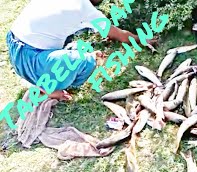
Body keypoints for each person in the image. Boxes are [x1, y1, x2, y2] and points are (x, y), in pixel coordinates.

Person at [6, 0, 156, 101]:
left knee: (76, 45)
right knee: (85, 61)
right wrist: (141, 39)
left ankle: (37, 76)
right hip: (32, 58)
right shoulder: (84, 9)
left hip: (14, 45)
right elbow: (121, 36)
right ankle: (48, 89)